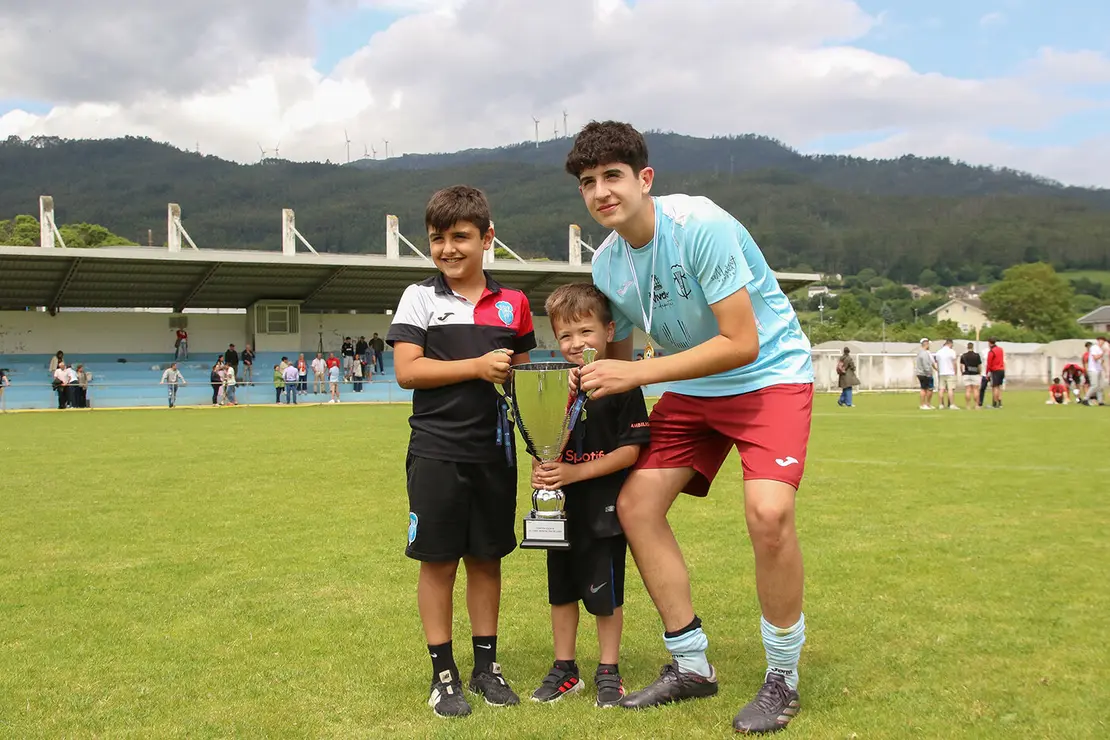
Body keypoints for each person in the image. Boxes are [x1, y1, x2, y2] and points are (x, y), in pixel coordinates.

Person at [567, 121, 813, 734]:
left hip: (768, 375)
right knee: (637, 505)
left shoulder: (698, 225)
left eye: (613, 177)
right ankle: (691, 664)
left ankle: (782, 678)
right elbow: (618, 366)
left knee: (769, 515)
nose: (601, 191)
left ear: (644, 179)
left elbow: (741, 342)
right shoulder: (607, 267)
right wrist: (582, 382)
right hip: (694, 388)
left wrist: (636, 375)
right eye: (588, 182)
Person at [386, 184, 536, 718]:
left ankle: (486, 668)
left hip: (495, 453)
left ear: (487, 238)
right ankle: (443, 674)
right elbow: (408, 371)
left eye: (461, 237)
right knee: (438, 561)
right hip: (437, 451)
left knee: (487, 559)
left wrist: (547, 440)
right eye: (437, 239)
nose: (448, 249)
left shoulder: (514, 304)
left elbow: (523, 379)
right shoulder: (419, 298)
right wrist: (475, 366)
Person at [529, 283, 651, 708]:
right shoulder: (552, 386)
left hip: (604, 512)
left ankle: (608, 671)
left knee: (605, 596)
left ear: (608, 330)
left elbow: (630, 452)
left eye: (585, 331)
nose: (575, 343)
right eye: (565, 335)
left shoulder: (622, 384)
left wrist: (575, 472)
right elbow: (541, 442)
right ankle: (565, 669)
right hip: (559, 513)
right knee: (560, 593)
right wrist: (542, 470)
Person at [934, 339, 958, 410]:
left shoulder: (938, 352)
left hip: (942, 372)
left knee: (941, 389)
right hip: (950, 372)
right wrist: (955, 372)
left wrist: (938, 371)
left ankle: (941, 404)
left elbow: (937, 363)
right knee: (950, 389)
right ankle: (952, 404)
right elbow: (954, 363)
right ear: (950, 344)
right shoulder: (952, 352)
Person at [1083, 337, 1106, 406]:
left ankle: (1100, 401)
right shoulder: (1094, 347)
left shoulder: (1099, 349)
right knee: (1094, 385)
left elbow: (1099, 360)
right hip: (1093, 370)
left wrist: (1101, 361)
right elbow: (1095, 358)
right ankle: (1085, 399)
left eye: (1103, 341)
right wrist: (1101, 354)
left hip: (1098, 369)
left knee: (1100, 386)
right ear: (1098, 341)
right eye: (1101, 341)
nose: (1102, 343)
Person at [914, 338, 936, 410]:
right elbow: (926, 365)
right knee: (926, 389)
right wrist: (929, 373)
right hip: (924, 374)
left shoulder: (920, 353)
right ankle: (924, 404)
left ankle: (926, 404)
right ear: (926, 344)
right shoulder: (925, 353)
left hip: (920, 373)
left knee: (924, 388)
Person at [959, 342, 982, 410]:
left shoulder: (963, 356)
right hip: (975, 374)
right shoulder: (977, 355)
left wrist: (962, 372)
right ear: (973, 347)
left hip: (966, 374)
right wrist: (979, 372)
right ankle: (976, 405)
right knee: (975, 390)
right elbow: (979, 366)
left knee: (968, 390)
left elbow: (961, 365)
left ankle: (968, 405)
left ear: (967, 347)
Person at [986, 338, 1005, 408]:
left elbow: (989, 363)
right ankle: (1000, 403)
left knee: (995, 387)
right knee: (999, 386)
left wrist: (987, 373)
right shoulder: (1000, 349)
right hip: (1002, 369)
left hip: (995, 370)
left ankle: (994, 403)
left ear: (989, 343)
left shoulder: (991, 352)